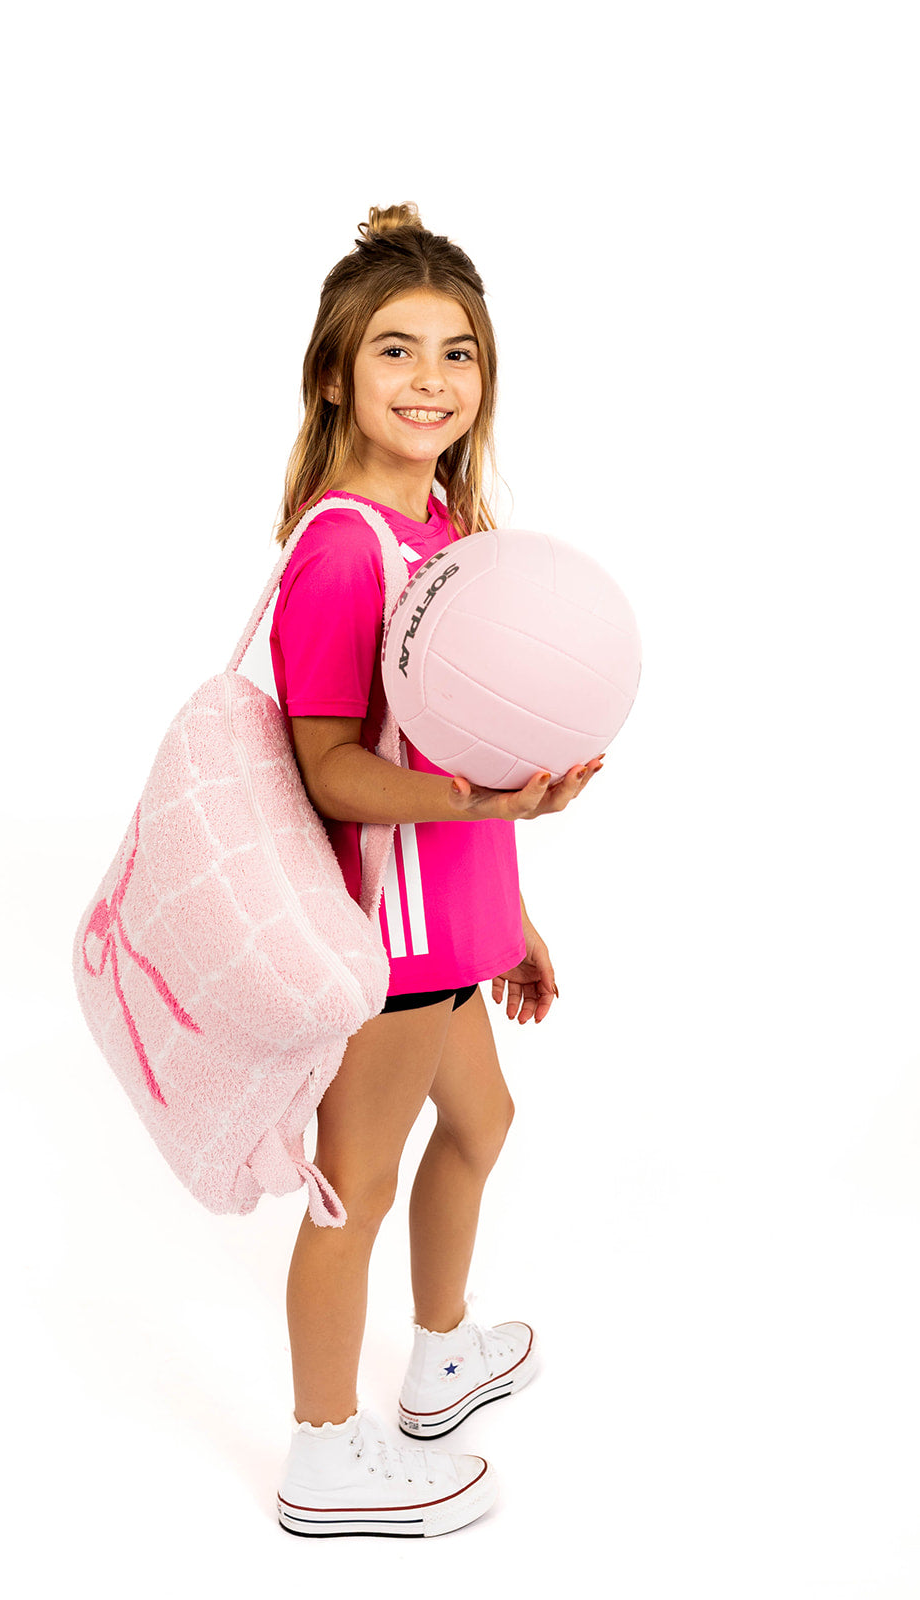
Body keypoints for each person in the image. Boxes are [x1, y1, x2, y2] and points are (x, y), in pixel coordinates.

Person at [269, 203, 604, 1538]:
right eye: (397, 351)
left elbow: (461, 752)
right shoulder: (343, 548)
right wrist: (477, 804)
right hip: (394, 937)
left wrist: (508, 910)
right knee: (357, 1181)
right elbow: (331, 769)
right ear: (337, 374)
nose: (430, 381)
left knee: (482, 1127)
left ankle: (438, 1363)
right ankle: (320, 1458)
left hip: (457, 923)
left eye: (457, 353)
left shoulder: (445, 527)